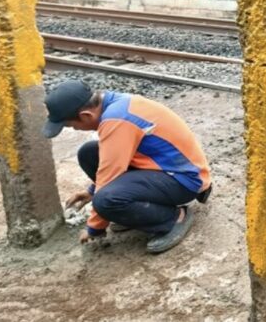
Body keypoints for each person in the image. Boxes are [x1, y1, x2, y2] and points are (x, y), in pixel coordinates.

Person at [43, 80, 212, 253]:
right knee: (89, 153)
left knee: (105, 201)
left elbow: (110, 175)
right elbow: (114, 161)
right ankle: (132, 212)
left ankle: (174, 218)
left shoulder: (117, 120)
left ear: (86, 115)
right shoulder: (114, 103)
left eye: (71, 125)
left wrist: (95, 227)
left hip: (186, 179)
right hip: (163, 167)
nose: (75, 129)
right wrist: (91, 192)